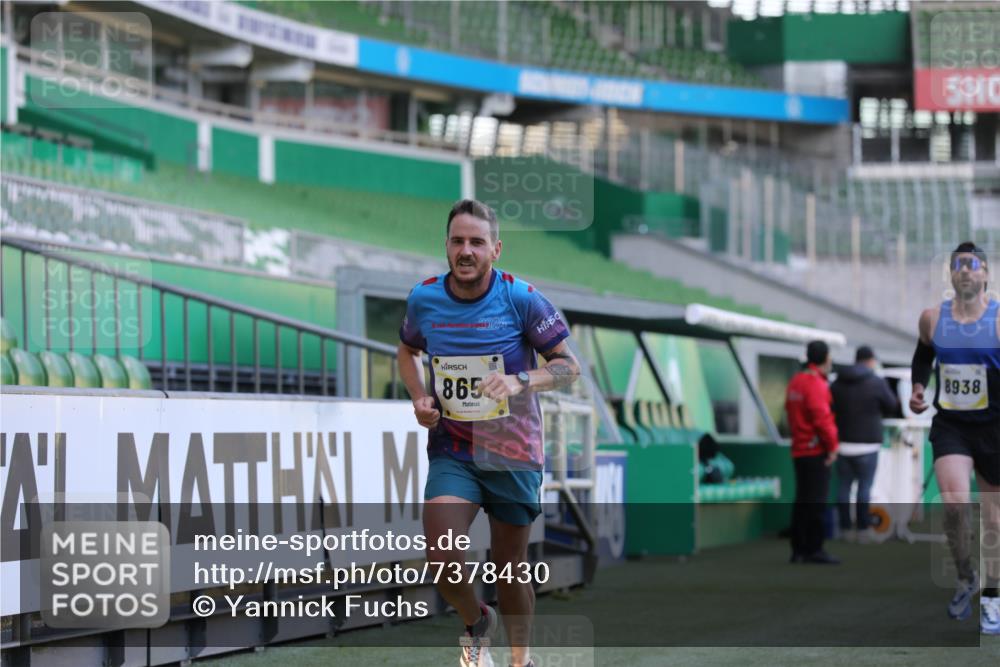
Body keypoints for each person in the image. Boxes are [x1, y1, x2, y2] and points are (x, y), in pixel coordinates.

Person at [397, 199, 581, 667]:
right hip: (452, 449)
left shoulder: (522, 298)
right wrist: (420, 397)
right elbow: (406, 350)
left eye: (476, 242)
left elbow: (567, 367)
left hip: (511, 451)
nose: (466, 250)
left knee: (509, 568)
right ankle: (477, 620)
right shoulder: (423, 298)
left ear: (495, 249)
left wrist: (523, 380)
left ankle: (521, 659)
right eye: (458, 241)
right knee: (441, 555)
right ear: (446, 246)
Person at [909, 241, 1000, 635]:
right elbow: (923, 355)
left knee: (995, 518)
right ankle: (966, 575)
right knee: (954, 504)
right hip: (952, 426)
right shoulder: (932, 318)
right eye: (959, 266)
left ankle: (993, 597)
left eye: (973, 265)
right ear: (951, 274)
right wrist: (917, 386)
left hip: (995, 427)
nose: (965, 271)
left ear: (985, 275)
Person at [830, 345, 899, 543]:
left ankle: (843, 530)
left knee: (843, 487)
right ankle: (862, 530)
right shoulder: (876, 382)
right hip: (868, 445)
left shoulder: (836, 383)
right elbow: (892, 405)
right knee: (864, 488)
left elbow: (829, 407)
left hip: (842, 444)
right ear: (870, 361)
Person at [785, 340, 840, 564]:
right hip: (815, 450)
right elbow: (822, 419)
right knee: (816, 502)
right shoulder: (816, 385)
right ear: (825, 358)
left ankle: (798, 549)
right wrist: (832, 447)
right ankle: (814, 549)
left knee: (802, 501)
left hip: (799, 449)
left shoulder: (796, 382)